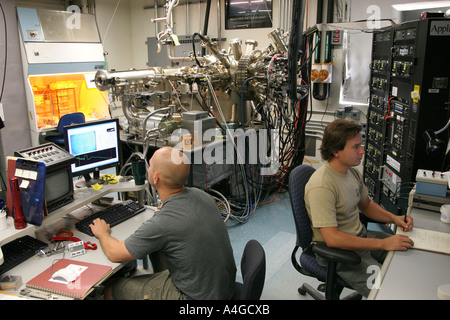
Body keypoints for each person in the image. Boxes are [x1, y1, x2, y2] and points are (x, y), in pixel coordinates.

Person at [89, 147, 236, 300]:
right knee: (157, 248)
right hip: (222, 288)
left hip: (193, 297)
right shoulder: (201, 195)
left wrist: (102, 233)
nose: (148, 168)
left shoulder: (163, 223)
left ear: (155, 177)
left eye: (150, 165)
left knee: (113, 287)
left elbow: (114, 253)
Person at [305, 119, 414, 297]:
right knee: (389, 291)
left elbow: (367, 205)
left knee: (405, 256)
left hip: (359, 237)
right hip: (338, 253)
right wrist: (383, 243)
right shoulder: (322, 185)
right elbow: (332, 239)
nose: (362, 151)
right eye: (355, 147)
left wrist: (394, 218)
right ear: (335, 151)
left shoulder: (351, 171)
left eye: (361, 145)